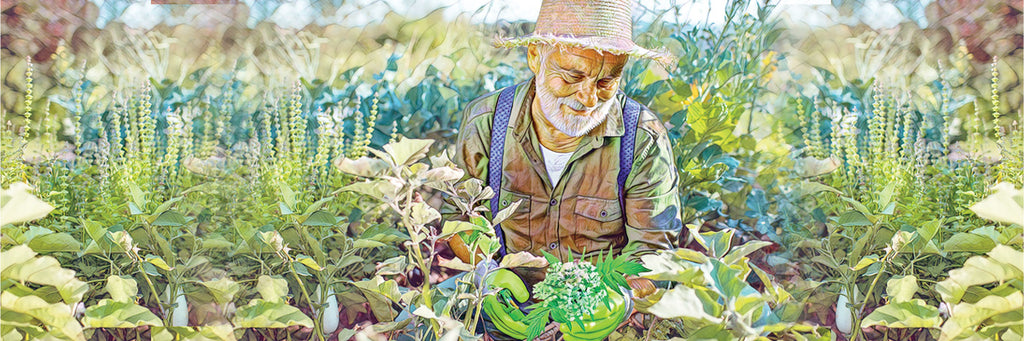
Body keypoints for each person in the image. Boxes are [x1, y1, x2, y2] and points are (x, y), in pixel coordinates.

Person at [453, 0, 682, 339]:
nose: (588, 98)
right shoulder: (487, 122)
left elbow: (654, 250)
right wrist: (487, 275)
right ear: (535, 57)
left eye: (606, 81)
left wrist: (621, 299)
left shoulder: (642, 138)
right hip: (510, 305)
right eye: (572, 76)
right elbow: (460, 219)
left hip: (597, 317)